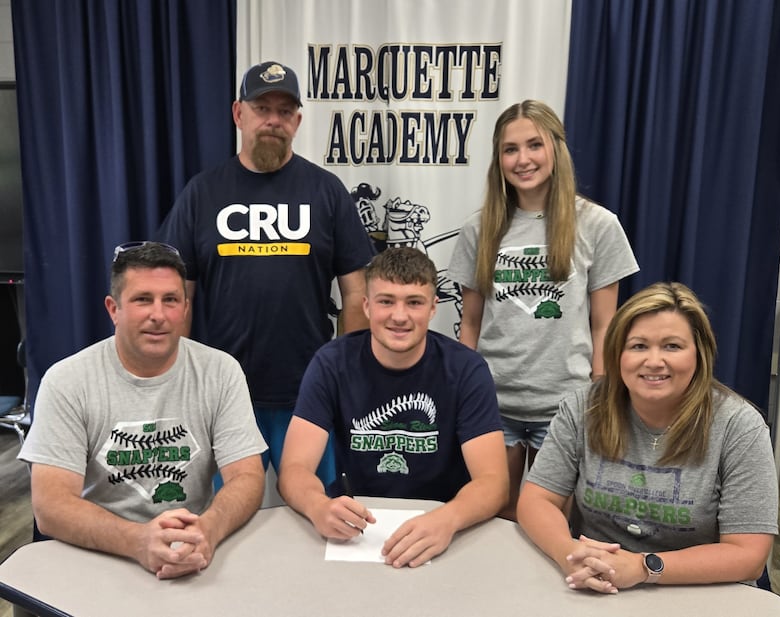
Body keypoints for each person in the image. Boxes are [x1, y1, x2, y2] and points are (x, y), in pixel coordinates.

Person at [158, 61, 375, 485]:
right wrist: (177, 377)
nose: (273, 120)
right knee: (227, 518)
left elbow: (356, 295)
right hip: (225, 396)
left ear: (297, 120)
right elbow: (176, 296)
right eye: (262, 108)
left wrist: (343, 373)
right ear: (239, 113)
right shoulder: (203, 192)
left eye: (284, 110)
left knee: (323, 514)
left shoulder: (326, 191)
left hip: (309, 394)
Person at [18, 241, 267, 580]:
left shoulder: (221, 371)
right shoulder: (67, 381)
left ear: (185, 307)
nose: (158, 315)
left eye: (170, 300)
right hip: (100, 554)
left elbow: (247, 477)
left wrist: (208, 530)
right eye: (142, 299)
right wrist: (137, 541)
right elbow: (50, 506)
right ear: (113, 309)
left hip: (192, 551)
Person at [516, 282, 779, 593]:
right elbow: (536, 500)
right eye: (639, 346)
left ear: (699, 354)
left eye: (672, 346)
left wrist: (644, 567)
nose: (654, 361)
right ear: (618, 354)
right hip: (596, 587)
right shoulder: (583, 407)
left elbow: (748, 555)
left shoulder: (739, 426)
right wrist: (568, 554)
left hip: (700, 593)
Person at [447, 99, 639, 519]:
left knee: (549, 528)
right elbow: (471, 323)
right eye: (510, 149)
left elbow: (606, 324)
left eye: (534, 145)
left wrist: (600, 397)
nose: (523, 159)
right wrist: (465, 393)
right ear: (499, 160)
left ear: (556, 148)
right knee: (496, 526)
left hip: (566, 405)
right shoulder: (480, 228)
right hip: (493, 403)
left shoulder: (598, 225)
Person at [277, 247, 509, 568]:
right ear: (367, 306)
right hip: (358, 528)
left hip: (442, 522)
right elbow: (295, 468)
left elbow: (494, 481)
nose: (399, 316)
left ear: (432, 308)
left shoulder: (466, 369)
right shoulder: (331, 363)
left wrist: (449, 519)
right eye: (386, 301)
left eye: (414, 302)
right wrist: (318, 506)